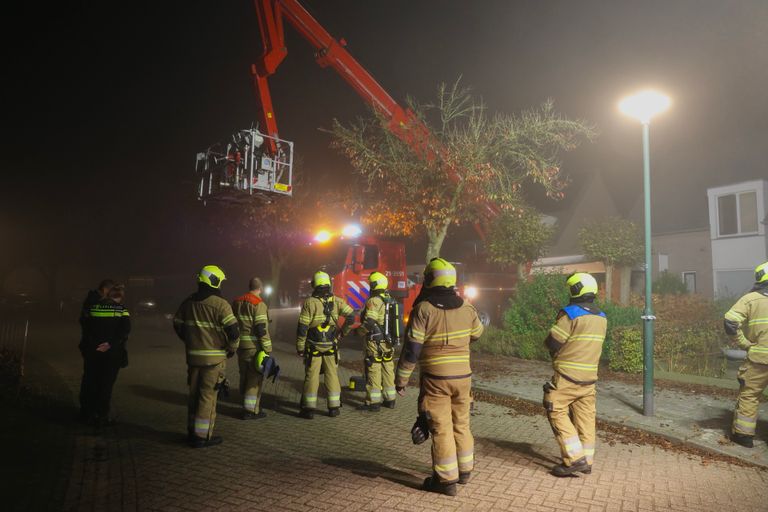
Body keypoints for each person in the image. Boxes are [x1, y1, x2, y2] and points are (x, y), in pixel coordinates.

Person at [395, 258, 484, 496]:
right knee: (462, 424)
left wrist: (401, 379)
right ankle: (465, 471)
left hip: (436, 379)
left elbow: (412, 349)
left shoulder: (423, 309)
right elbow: (477, 333)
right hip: (463, 377)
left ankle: (445, 480)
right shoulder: (467, 307)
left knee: (442, 428)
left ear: (429, 279)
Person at [542, 272, 607, 477]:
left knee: (555, 409)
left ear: (575, 289)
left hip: (567, 377)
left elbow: (553, 342)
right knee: (586, 418)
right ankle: (586, 460)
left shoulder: (570, 314)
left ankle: (574, 459)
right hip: (589, 380)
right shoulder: (602, 317)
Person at [173, 265, 239, 448]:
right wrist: (231, 349)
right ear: (214, 280)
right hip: (214, 360)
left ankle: (191, 432)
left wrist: (190, 341)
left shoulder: (188, 302)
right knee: (207, 397)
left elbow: (177, 324)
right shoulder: (220, 304)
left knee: (193, 396)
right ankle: (202, 436)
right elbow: (234, 332)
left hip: (193, 358)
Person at [296, 270, 354, 419]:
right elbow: (351, 316)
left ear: (314, 285)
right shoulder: (337, 301)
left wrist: (300, 347)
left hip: (314, 346)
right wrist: (342, 333)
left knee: (312, 376)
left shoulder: (309, 303)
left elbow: (302, 327)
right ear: (329, 284)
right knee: (332, 375)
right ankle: (334, 408)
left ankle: (308, 410)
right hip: (331, 346)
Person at [725, 261, 768, 448]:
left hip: (759, 359)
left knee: (750, 395)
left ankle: (744, 436)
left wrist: (744, 343)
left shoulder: (750, 299)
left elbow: (730, 321)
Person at [79, 284, 131, 427]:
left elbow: (87, 328)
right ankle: (102, 416)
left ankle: (89, 414)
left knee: (92, 382)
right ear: (120, 296)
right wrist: (109, 345)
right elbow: (125, 331)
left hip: (94, 352)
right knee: (106, 385)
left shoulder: (94, 308)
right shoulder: (121, 310)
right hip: (112, 354)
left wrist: (96, 344)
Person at [232, 277, 272, 420]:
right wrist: (267, 347)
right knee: (254, 378)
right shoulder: (258, 304)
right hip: (254, 347)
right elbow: (261, 328)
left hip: (240, 346)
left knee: (244, 374)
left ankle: (244, 404)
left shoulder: (237, 301)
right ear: (260, 288)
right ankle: (250, 410)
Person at [357, 271, 398, 412]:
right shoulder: (389, 299)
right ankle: (390, 399)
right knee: (388, 369)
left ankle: (373, 403)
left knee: (374, 369)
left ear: (374, 284)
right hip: (388, 342)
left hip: (375, 342)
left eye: (371, 283)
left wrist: (359, 332)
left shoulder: (374, 301)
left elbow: (369, 322)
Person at [78, 278, 115, 422]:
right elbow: (94, 325)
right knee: (92, 380)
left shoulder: (92, 300)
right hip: (94, 347)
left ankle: (89, 411)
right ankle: (90, 412)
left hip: (91, 346)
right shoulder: (95, 302)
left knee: (91, 379)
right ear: (106, 289)